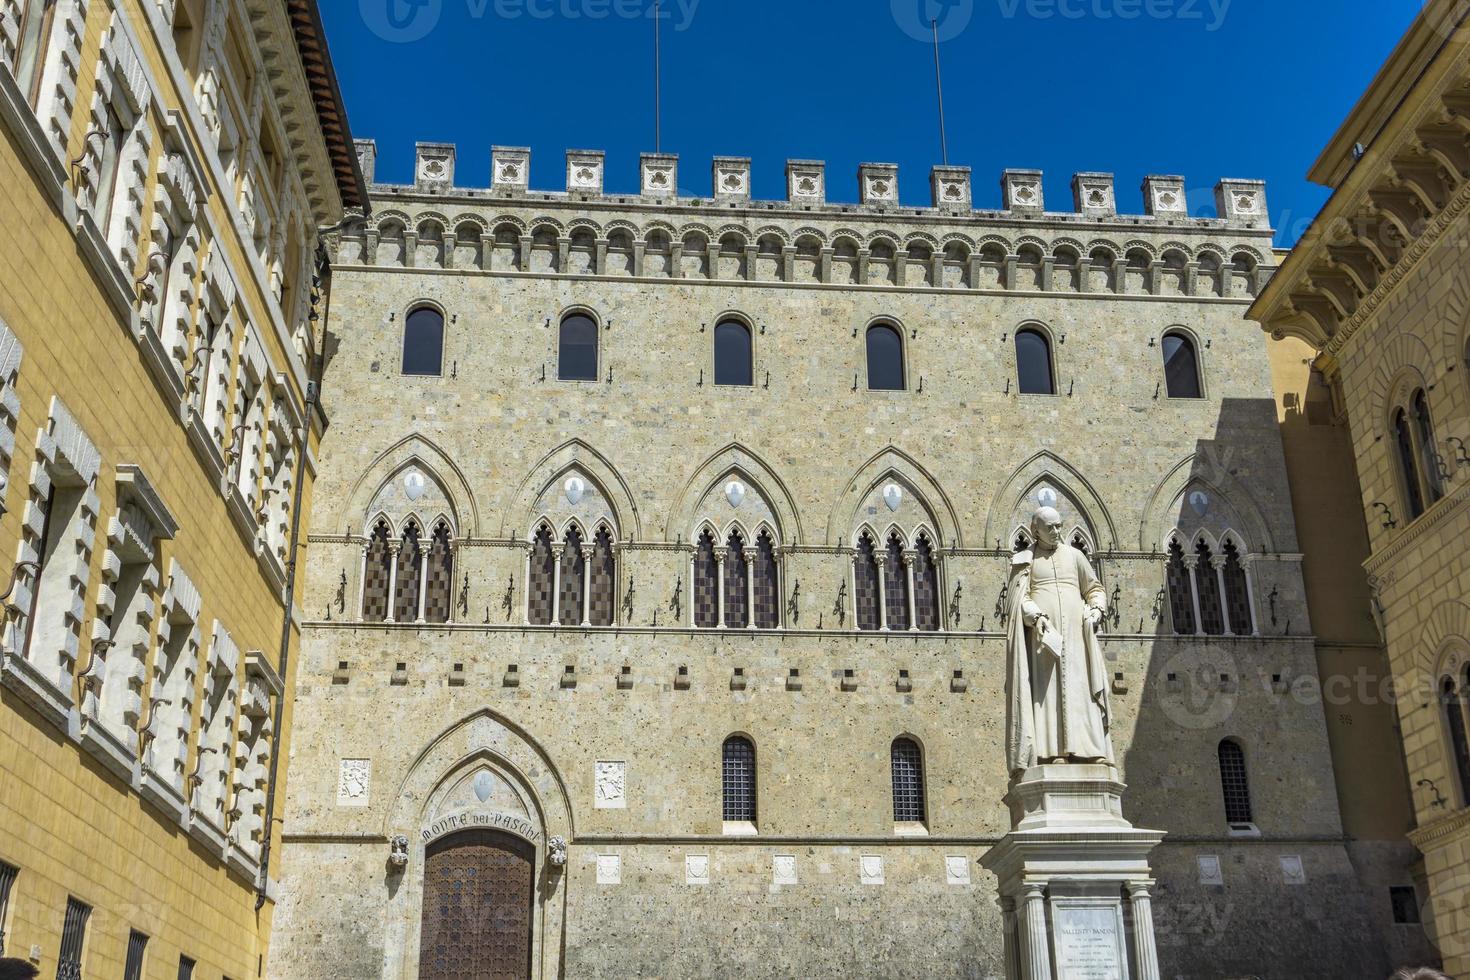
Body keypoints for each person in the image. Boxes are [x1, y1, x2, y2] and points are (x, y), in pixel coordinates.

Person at [1004, 506, 1113, 774]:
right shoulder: (1025, 561)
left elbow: (1094, 588)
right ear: (1035, 530)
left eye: (1058, 526)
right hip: (1044, 642)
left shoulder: (1075, 557)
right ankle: (1051, 752)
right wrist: (1035, 615)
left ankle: (1091, 750)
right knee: (1047, 695)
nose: (1055, 532)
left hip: (1076, 638)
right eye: (1049, 527)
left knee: (1081, 690)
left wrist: (1097, 609)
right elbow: (1019, 599)